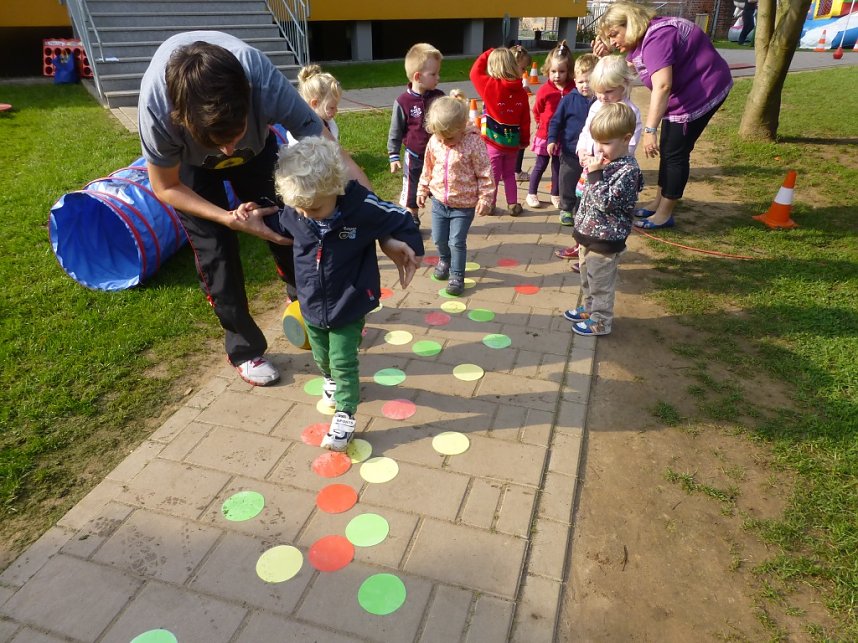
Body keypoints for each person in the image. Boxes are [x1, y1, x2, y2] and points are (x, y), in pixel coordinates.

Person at [273, 137, 424, 451]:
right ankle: (330, 380)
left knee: (343, 361)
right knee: (321, 356)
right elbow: (281, 223)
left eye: (313, 207)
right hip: (311, 302)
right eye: (298, 206)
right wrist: (252, 217)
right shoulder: (297, 210)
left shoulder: (361, 206)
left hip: (350, 300)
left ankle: (345, 413)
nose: (305, 212)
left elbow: (401, 218)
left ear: (337, 187)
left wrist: (411, 249)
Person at [594, 1, 733, 229]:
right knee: (669, 150)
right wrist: (606, 54)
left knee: (676, 152)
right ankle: (658, 201)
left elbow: (662, 86)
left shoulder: (657, 39)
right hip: (683, 94)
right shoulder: (643, 40)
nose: (613, 41)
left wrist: (650, 130)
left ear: (630, 24)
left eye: (614, 35)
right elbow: (629, 68)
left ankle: (664, 213)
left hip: (701, 93)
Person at [564, 102, 643, 337]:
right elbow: (586, 193)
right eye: (597, 141)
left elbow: (605, 202)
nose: (600, 148)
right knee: (587, 277)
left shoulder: (628, 171)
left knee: (601, 284)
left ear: (626, 139)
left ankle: (601, 321)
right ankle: (589, 310)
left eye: (606, 143)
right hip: (588, 235)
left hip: (606, 239)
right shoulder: (606, 162)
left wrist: (595, 174)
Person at [416, 92, 494, 296]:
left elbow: (485, 172)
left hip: (464, 204)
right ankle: (444, 259)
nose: (445, 142)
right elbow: (428, 167)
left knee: (456, 241)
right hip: (439, 202)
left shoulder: (473, 143)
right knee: (439, 239)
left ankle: (457, 275)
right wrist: (422, 188)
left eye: (449, 138)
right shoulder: (435, 141)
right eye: (441, 137)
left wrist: (486, 197)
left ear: (462, 128)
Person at [387, 43, 445, 228]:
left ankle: (441, 217)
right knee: (412, 189)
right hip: (414, 156)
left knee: (438, 186)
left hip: (438, 156)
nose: (438, 77)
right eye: (434, 74)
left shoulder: (439, 97)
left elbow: (448, 120)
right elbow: (395, 130)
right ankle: (412, 216)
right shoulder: (403, 102)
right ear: (418, 77)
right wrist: (393, 155)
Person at [547, 53, 598, 258]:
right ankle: (566, 208)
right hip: (569, 151)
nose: (585, 86)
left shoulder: (599, 101)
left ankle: (581, 207)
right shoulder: (569, 99)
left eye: (589, 81)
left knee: (585, 184)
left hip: (591, 155)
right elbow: (556, 121)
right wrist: (552, 139)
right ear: (574, 80)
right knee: (567, 180)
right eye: (581, 81)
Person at [469, 47, 531, 216]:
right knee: (509, 174)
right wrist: (524, 141)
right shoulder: (522, 91)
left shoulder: (490, 86)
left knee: (493, 176)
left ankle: (491, 204)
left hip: (493, 142)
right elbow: (525, 120)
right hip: (512, 142)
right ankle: (513, 204)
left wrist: (489, 51)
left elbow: (474, 72)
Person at [527, 40, 575, 212]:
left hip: (563, 136)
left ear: (569, 71)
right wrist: (541, 124)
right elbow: (537, 109)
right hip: (545, 135)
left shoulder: (573, 89)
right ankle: (531, 192)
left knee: (557, 166)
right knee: (540, 165)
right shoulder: (545, 90)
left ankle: (555, 193)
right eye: (553, 71)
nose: (557, 75)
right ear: (548, 70)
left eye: (561, 71)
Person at [295, 64, 342, 140]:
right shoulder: (302, 128)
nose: (336, 110)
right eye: (332, 107)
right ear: (315, 103)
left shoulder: (329, 124)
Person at [510, 44, 533, 182]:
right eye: (523, 68)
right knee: (518, 145)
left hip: (511, 122)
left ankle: (511, 170)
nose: (524, 71)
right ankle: (516, 171)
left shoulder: (512, 81)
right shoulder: (511, 83)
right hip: (512, 123)